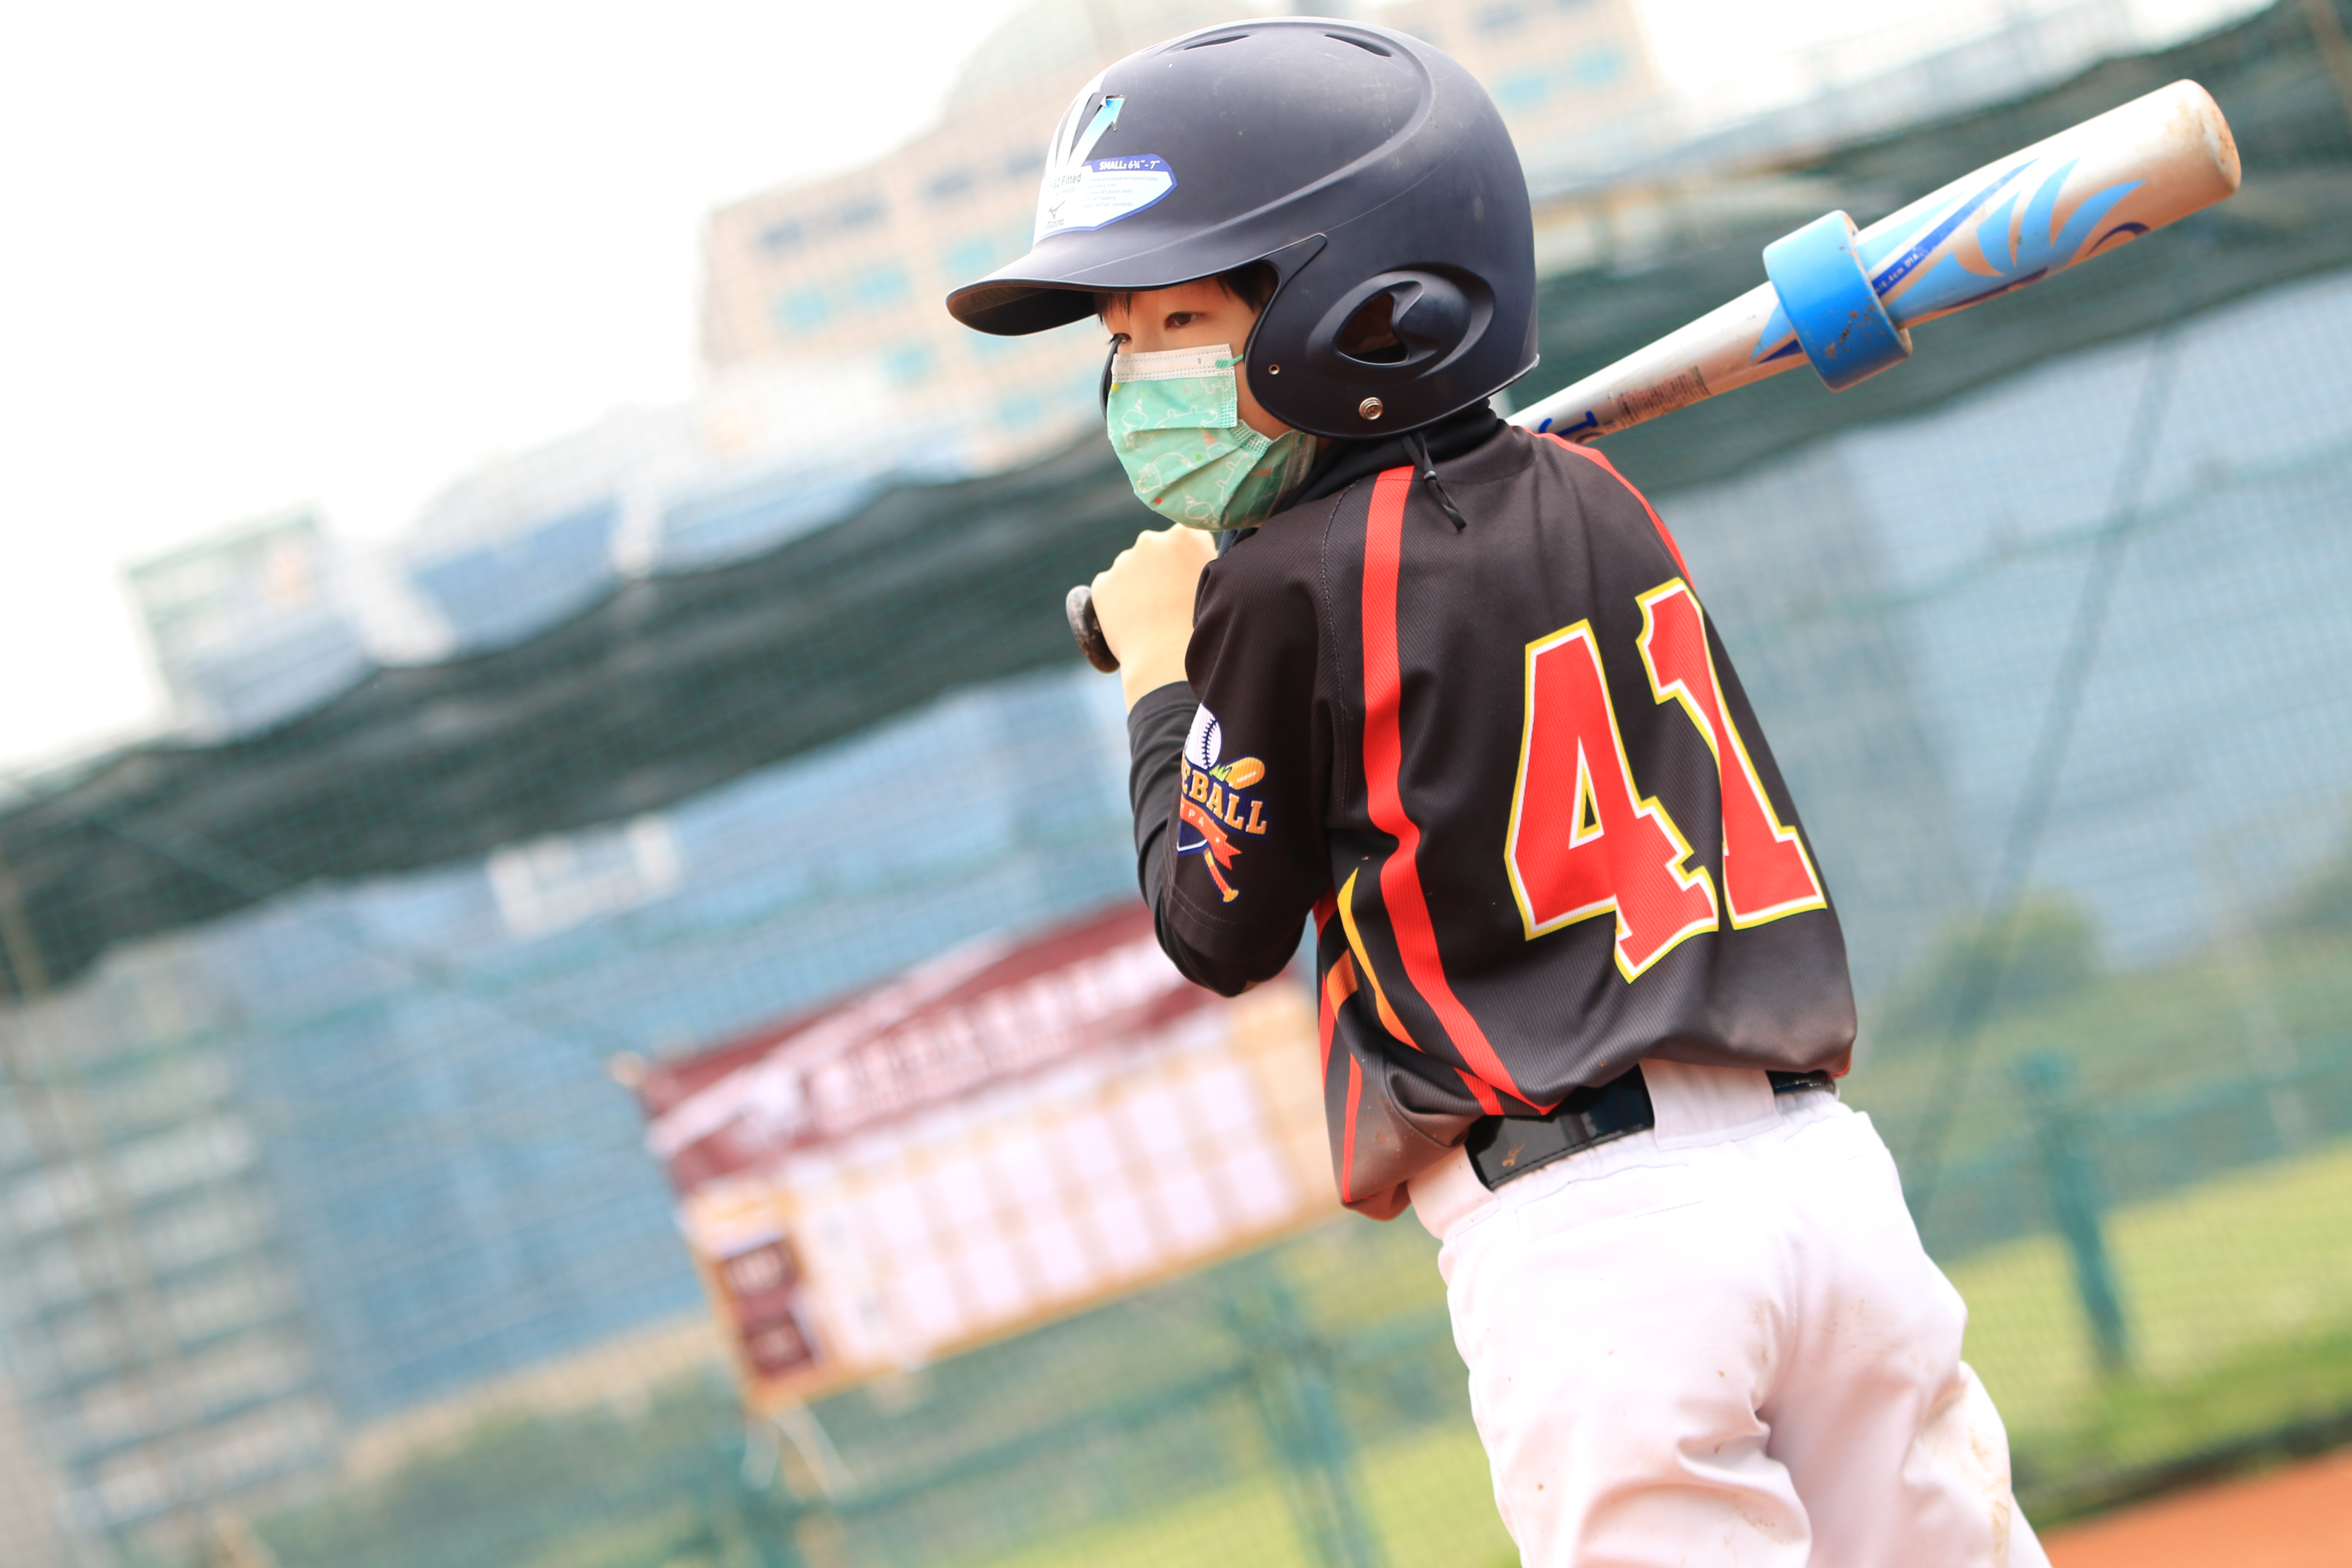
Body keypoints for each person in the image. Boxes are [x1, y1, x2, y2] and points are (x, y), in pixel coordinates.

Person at [948, 18, 2049, 1567]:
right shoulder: (1597, 493)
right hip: (1824, 1187)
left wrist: (1159, 674)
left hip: (1597, 1250)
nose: (1143, 375)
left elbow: (1216, 927)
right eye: (1123, 338)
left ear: (1359, 305)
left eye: (1183, 317)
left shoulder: (1273, 589)